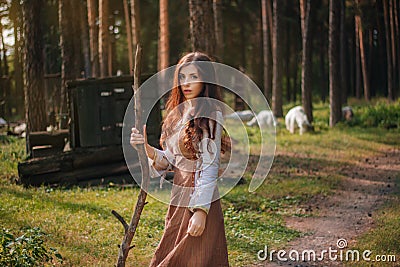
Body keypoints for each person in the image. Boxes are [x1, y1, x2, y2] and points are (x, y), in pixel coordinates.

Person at [130, 52, 230, 266]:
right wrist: (146, 148)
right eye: (183, 77)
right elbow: (170, 160)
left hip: (199, 195)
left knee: (196, 257)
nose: (186, 83)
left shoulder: (211, 114)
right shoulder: (177, 114)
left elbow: (210, 167)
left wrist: (201, 211)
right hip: (179, 194)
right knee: (170, 252)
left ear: (206, 81)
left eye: (194, 77)